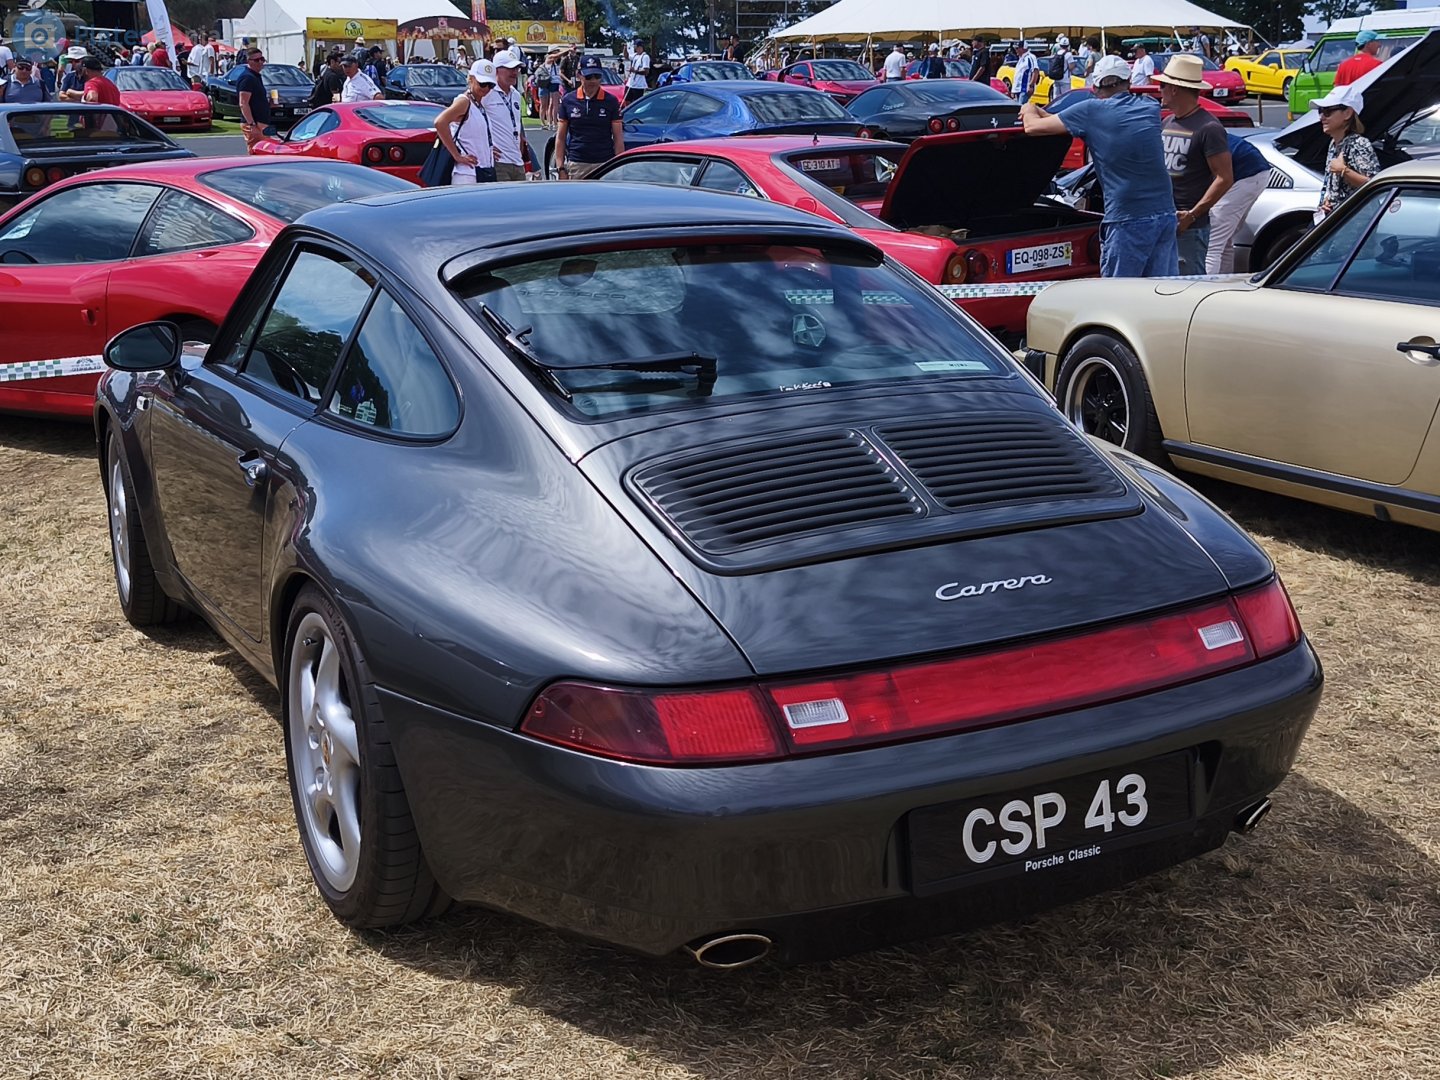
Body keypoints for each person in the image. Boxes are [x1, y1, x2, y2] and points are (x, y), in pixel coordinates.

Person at [1021, 55, 1178, 277]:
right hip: (1164, 212)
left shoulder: (1091, 112)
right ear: (1129, 81)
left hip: (1127, 217)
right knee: (1160, 292)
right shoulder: (1148, 107)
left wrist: (1029, 107)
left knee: (1117, 297)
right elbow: (1064, 122)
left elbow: (1032, 128)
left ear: (1095, 86)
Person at [1156, 53, 1233, 274]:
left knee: (1189, 288)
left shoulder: (1209, 127)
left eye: (1162, 85)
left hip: (1190, 227)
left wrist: (1192, 215)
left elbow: (1225, 178)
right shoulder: (1167, 121)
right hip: (1164, 221)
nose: (1159, 90)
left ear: (1174, 88)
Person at [1311, 84, 1379, 220]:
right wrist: (1329, 200)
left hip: (1356, 221)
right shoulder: (1333, 143)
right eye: (1320, 111)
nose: (1322, 117)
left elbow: (1374, 184)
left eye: (1328, 112)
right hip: (1339, 219)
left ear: (1347, 113)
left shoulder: (1359, 144)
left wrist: (1343, 170)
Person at [1206, 132, 1271, 273]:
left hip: (1245, 173)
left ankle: (1202, 290)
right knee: (1224, 240)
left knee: (1210, 244)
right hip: (1253, 171)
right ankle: (1223, 285)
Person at [555, 55, 624, 179]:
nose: (593, 81)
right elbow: (560, 137)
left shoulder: (611, 101)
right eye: (588, 76)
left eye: (597, 76)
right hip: (578, 163)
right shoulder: (568, 100)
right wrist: (560, 168)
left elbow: (618, 137)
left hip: (605, 163)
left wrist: (619, 167)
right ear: (579, 75)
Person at [435, 59, 499, 184]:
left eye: (490, 85)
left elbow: (473, 133)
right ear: (471, 79)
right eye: (482, 83)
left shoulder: (478, 104)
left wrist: (488, 148)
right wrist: (457, 156)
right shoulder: (464, 102)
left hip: (483, 170)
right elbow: (440, 122)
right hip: (467, 174)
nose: (486, 88)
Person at [486, 52, 531, 181]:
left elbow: (517, 126)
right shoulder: (486, 93)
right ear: (496, 70)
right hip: (498, 163)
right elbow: (463, 121)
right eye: (510, 68)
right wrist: (484, 147)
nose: (514, 72)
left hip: (517, 162)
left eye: (516, 68)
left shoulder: (516, 94)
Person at [235, 49, 276, 149]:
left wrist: (269, 103)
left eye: (262, 59)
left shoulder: (256, 76)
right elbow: (243, 103)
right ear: (249, 61)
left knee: (265, 152)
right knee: (257, 152)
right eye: (257, 60)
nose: (261, 62)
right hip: (254, 123)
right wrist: (252, 125)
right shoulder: (247, 78)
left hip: (262, 122)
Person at [533, 48, 561, 129]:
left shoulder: (556, 62)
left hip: (550, 82)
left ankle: (550, 122)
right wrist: (568, 49)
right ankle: (543, 122)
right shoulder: (549, 58)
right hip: (544, 82)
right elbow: (557, 55)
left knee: (551, 103)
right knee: (543, 104)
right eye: (556, 51)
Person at [624, 37, 650, 105]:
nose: (635, 49)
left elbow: (646, 71)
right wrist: (625, 48)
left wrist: (634, 71)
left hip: (639, 85)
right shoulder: (635, 55)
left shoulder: (645, 57)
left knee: (636, 103)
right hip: (631, 83)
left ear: (640, 47)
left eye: (636, 47)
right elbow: (626, 56)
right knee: (627, 100)